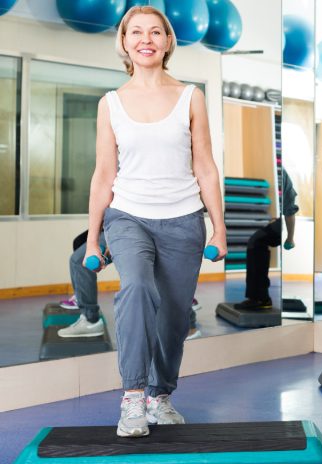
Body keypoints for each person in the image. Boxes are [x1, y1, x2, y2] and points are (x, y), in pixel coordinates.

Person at [85, 5, 226, 438]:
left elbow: (204, 166)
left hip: (183, 220)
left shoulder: (191, 97)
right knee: (137, 289)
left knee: (174, 318)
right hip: (128, 217)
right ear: (124, 42)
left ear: (167, 41)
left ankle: (159, 396)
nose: (146, 39)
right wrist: (93, 239)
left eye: (155, 32)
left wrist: (219, 228)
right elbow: (104, 173)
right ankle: (131, 396)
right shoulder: (110, 103)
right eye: (136, 32)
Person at [58, 230, 201, 340]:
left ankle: (186, 323)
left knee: (156, 269)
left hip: (133, 226)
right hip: (117, 225)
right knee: (79, 247)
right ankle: (86, 305)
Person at [235, 168, 298, 310]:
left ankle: (260, 298)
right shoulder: (284, 172)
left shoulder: (284, 174)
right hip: (285, 221)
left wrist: (290, 238)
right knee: (257, 240)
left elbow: (290, 210)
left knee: (257, 241)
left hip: (289, 222)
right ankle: (260, 297)